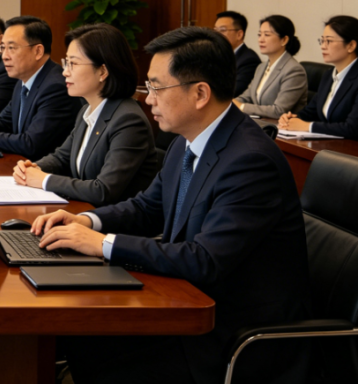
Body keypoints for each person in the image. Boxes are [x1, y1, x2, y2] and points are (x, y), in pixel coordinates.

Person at [32, 27, 310, 384]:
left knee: (91, 345)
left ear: (200, 93)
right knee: (77, 334)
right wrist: (87, 221)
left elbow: (205, 259)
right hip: (187, 303)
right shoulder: (186, 141)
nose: (148, 100)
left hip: (232, 333)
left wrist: (102, 245)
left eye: (156, 88)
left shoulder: (250, 161)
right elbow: (148, 207)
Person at [11, 23, 159, 206]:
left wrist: (44, 180)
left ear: (102, 71)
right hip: (81, 211)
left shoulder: (128, 120)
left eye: (73, 63)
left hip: (111, 220)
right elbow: (61, 158)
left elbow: (103, 191)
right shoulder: (87, 110)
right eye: (66, 63)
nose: (65, 72)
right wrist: (31, 168)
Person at [0, 15, 80, 159]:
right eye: (3, 48)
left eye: (12, 48)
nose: (4, 56)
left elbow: (31, 143)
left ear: (38, 51)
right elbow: (4, 120)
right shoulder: (23, 80)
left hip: (40, 168)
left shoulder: (56, 87)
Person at [279, 15, 358, 141]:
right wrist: (291, 118)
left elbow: (352, 128)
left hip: (354, 149)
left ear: (351, 45)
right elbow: (311, 112)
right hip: (328, 146)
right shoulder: (328, 75)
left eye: (329, 41)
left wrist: (308, 127)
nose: (323, 46)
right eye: (322, 41)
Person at [233, 15, 308, 118]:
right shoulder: (261, 67)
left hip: (277, 125)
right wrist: (229, 104)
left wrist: (242, 107)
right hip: (258, 122)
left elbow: (279, 111)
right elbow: (247, 97)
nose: (261, 39)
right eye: (259, 35)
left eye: (267, 35)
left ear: (284, 40)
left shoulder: (294, 70)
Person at [214, 10, 261, 96]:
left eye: (222, 30)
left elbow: (234, 91)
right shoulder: (216, 55)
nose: (216, 35)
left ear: (239, 35)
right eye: (215, 30)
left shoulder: (249, 60)